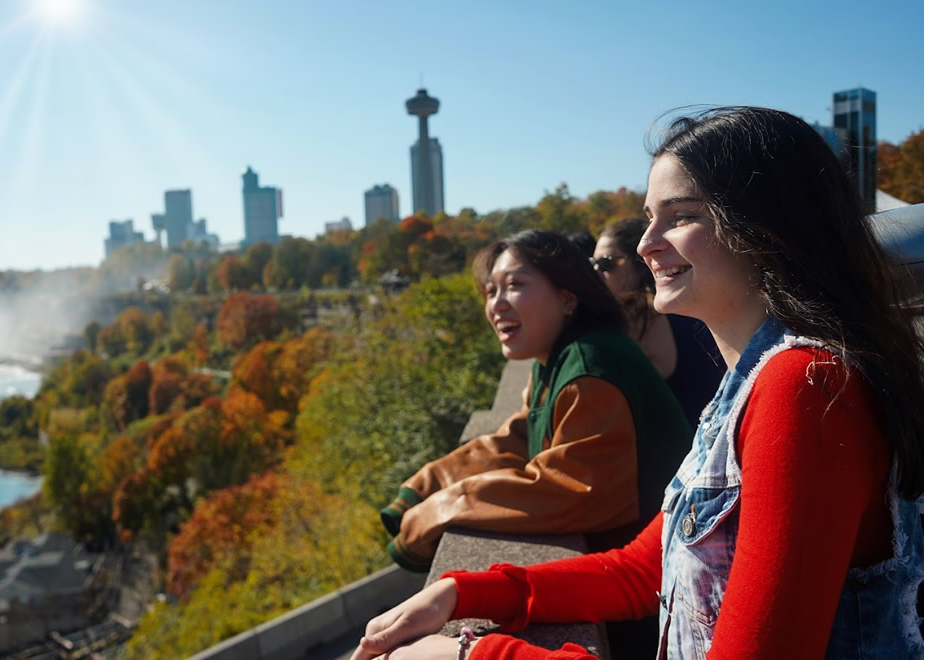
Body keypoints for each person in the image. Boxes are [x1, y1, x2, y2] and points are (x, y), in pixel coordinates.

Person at [353, 107, 924, 660]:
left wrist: (470, 652)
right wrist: (464, 593)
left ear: (765, 228)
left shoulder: (805, 387)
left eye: (680, 216)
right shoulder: (750, 383)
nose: (646, 244)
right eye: (651, 217)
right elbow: (639, 570)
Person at [380, 230, 692, 581]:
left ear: (567, 298)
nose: (496, 304)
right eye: (491, 290)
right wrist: (421, 490)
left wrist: (441, 509)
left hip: (654, 594)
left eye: (514, 285)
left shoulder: (591, 368)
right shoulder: (560, 357)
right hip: (636, 575)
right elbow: (519, 438)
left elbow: (567, 491)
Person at [593, 217, 724, 424]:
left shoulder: (635, 316)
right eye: (592, 264)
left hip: (681, 447)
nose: (596, 273)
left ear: (638, 262)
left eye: (605, 263)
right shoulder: (695, 300)